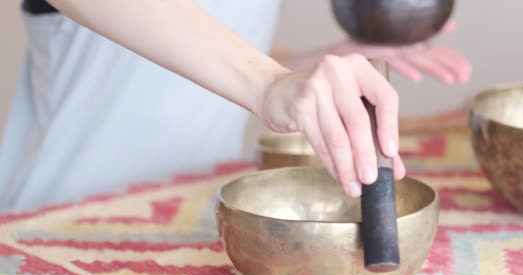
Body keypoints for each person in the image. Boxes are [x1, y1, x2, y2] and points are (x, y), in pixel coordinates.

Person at [0, 0, 471, 211]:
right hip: (59, 225)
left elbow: (215, 52)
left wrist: (308, 65)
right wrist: (268, 86)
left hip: (186, 214)